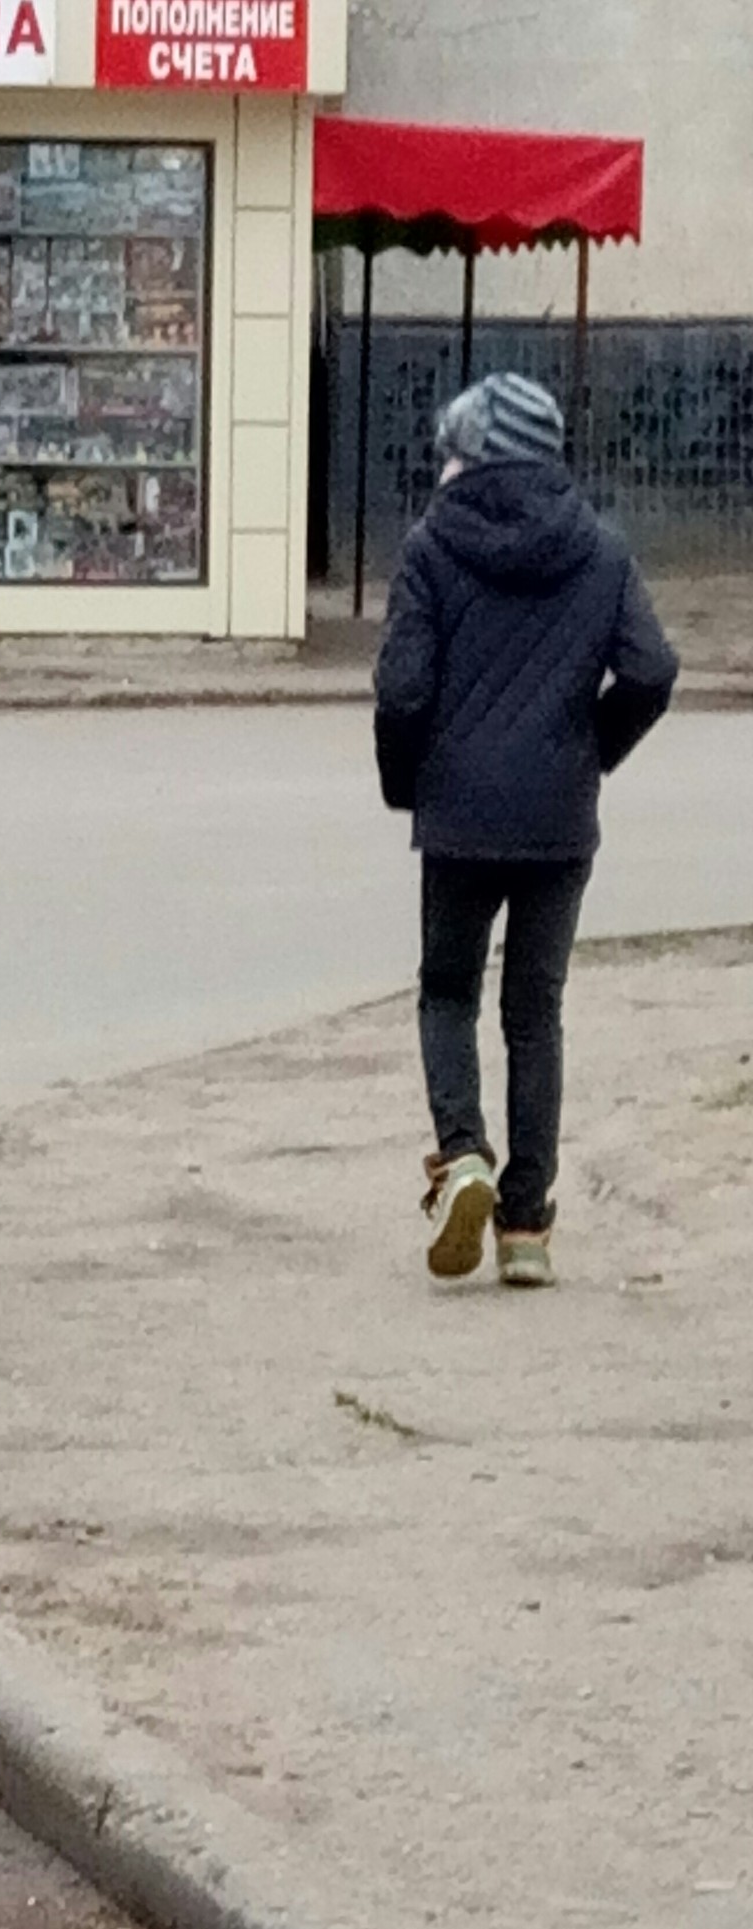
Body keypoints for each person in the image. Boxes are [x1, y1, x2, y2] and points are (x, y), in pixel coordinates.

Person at [374, 372, 678, 1289]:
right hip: (557, 817)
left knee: (448, 993)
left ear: (468, 452)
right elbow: (653, 670)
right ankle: (526, 1225)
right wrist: (591, 750)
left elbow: (401, 691)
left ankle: (463, 1153)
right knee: (535, 1012)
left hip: (460, 815)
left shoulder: (432, 547)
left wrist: (408, 786)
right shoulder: (601, 549)